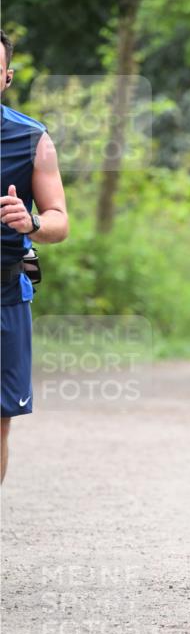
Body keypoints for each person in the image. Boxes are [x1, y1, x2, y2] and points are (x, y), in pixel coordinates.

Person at [1, 29, 69, 482]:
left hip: (4, 294)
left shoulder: (31, 139)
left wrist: (31, 223)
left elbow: (59, 220)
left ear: (6, 77)